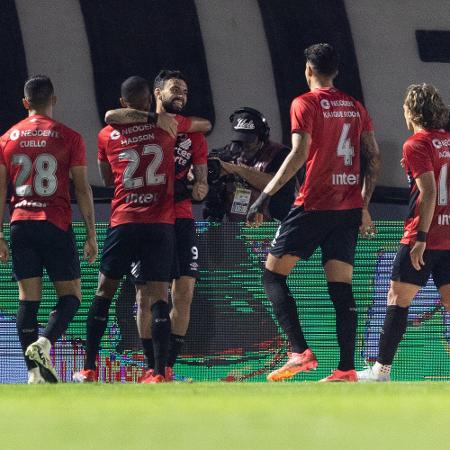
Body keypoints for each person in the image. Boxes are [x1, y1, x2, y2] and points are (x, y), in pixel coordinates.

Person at [247, 43, 381, 382]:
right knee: (341, 288)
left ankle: (299, 352)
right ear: (336, 71)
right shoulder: (354, 106)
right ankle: (347, 369)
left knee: (272, 275)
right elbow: (373, 157)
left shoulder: (304, 103)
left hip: (314, 204)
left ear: (308, 70)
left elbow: (298, 154)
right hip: (347, 207)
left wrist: (265, 194)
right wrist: (363, 204)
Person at [73, 75, 210, 383]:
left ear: (125, 103)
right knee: (159, 296)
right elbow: (201, 126)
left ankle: (89, 367)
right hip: (160, 223)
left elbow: (107, 179)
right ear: (152, 98)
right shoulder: (168, 129)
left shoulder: (107, 134)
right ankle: (159, 372)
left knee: (104, 292)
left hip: (124, 220)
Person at [0, 75, 97, 384]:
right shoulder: (69, 137)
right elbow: (82, 189)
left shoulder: (7, 138)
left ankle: (33, 375)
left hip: (20, 224)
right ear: (53, 100)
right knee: (72, 296)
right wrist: (91, 233)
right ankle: (44, 344)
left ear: (25, 103)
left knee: (28, 300)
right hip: (55, 223)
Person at [357, 83, 450, 382]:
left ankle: (380, 371)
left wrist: (421, 237)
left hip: (424, 238)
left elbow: (429, 191)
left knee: (397, 298)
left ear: (411, 111)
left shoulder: (416, 144)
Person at [204, 107, 297, 222]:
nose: (244, 146)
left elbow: (277, 183)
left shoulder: (280, 154)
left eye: (249, 140)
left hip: (274, 225)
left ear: (262, 137)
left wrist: (235, 169)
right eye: (239, 140)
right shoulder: (226, 154)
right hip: (236, 227)